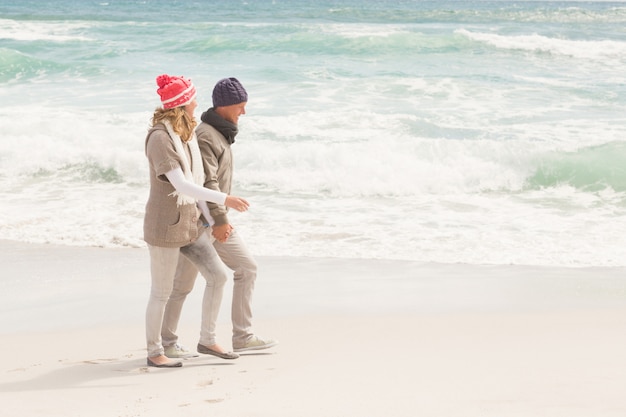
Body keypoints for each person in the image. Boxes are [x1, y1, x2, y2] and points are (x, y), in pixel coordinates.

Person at [162, 77, 277, 357]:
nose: (244, 112)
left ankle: (242, 335)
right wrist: (220, 220)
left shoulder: (220, 132)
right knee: (186, 285)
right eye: (240, 106)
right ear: (224, 107)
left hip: (210, 220)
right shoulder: (207, 136)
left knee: (241, 270)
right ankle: (168, 343)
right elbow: (207, 182)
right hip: (203, 223)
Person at [144, 74, 249, 368]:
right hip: (165, 228)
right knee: (161, 292)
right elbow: (181, 185)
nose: (196, 105)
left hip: (191, 226)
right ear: (180, 106)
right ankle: (155, 352)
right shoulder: (160, 138)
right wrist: (224, 200)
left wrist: (214, 218)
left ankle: (208, 339)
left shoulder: (184, 136)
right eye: (192, 101)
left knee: (218, 276)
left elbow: (197, 181)